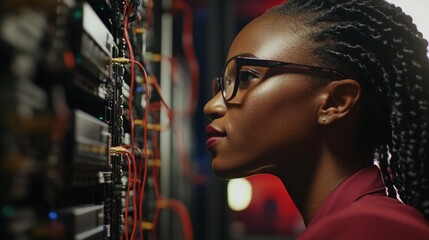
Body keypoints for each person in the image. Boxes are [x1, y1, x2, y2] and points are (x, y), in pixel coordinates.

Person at [203, 0, 429, 239]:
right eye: (221, 85)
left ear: (336, 102)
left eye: (246, 77)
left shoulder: (365, 228)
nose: (212, 106)